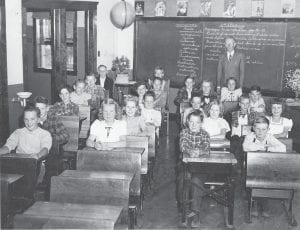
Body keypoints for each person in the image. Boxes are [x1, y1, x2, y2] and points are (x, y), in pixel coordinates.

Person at [243, 116, 286, 217]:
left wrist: (267, 149)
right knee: (253, 179)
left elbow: (282, 148)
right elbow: (245, 147)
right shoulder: (249, 136)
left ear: (268, 129)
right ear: (253, 128)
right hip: (251, 166)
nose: (260, 132)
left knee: (266, 179)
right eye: (258, 128)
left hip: (266, 167)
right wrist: (264, 147)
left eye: (264, 129)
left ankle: (264, 204)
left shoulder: (269, 137)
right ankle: (253, 202)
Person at [179, 110, 210, 228]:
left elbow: (206, 147)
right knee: (182, 180)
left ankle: (196, 212)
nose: (193, 125)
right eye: (191, 122)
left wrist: (198, 152)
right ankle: (183, 208)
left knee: (196, 182)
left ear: (201, 123)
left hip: (200, 166)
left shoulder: (205, 134)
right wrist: (191, 151)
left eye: (197, 122)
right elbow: (183, 145)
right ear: (187, 122)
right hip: (185, 165)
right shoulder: (184, 132)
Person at [35, 96, 69, 199]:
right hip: (37, 151)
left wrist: (50, 139)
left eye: (42, 108)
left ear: (47, 108)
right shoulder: (33, 120)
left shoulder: (53, 118)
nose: (39, 111)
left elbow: (65, 136)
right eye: (37, 108)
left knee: (50, 171)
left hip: (53, 152)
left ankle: (48, 194)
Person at [229, 94, 256, 168]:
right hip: (236, 137)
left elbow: (253, 129)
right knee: (237, 143)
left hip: (248, 137)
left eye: (247, 103)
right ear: (239, 104)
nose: (245, 105)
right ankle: (237, 167)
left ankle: (243, 167)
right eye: (243, 103)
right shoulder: (234, 114)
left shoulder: (252, 115)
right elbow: (233, 129)